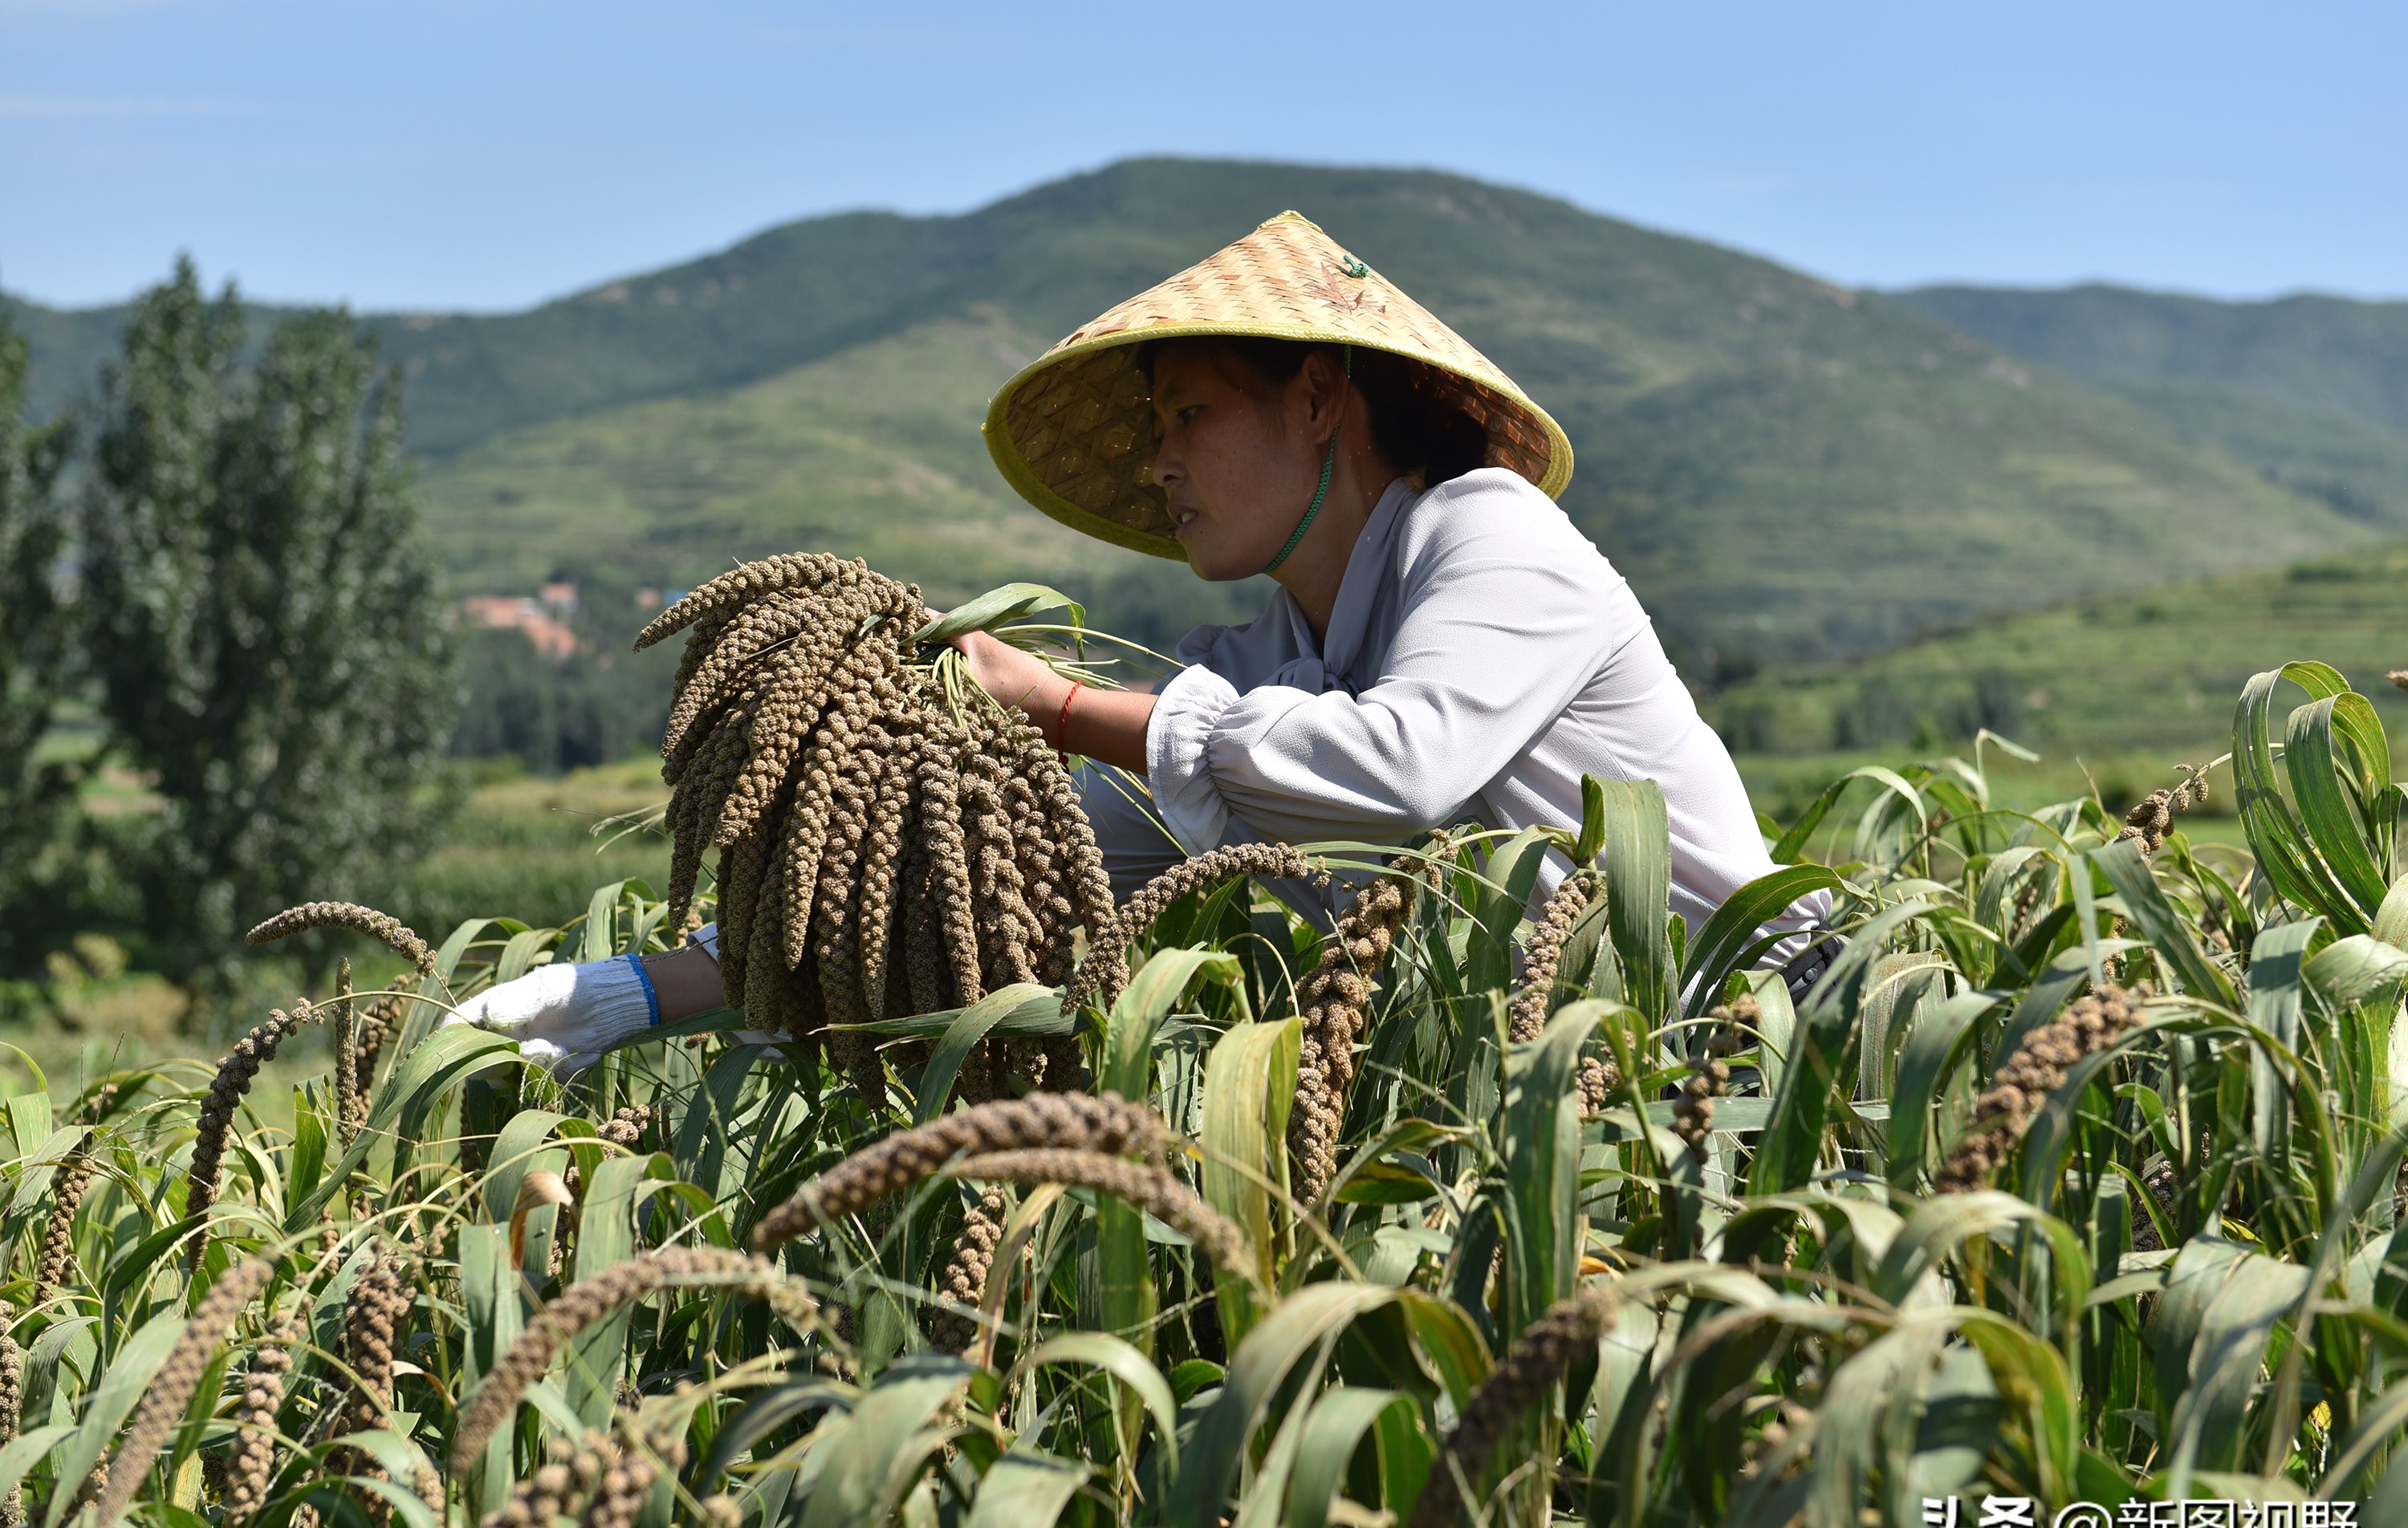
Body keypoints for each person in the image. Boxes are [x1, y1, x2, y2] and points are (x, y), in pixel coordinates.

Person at [464, 211, 1827, 1068]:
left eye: (1187, 416)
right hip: (1577, 1109)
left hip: (1784, 1052)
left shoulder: (1492, 536)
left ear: (1314, 400)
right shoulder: (1251, 661)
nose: (1162, 464)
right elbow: (1037, 874)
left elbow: (1401, 763)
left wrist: (1054, 700)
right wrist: (648, 985)